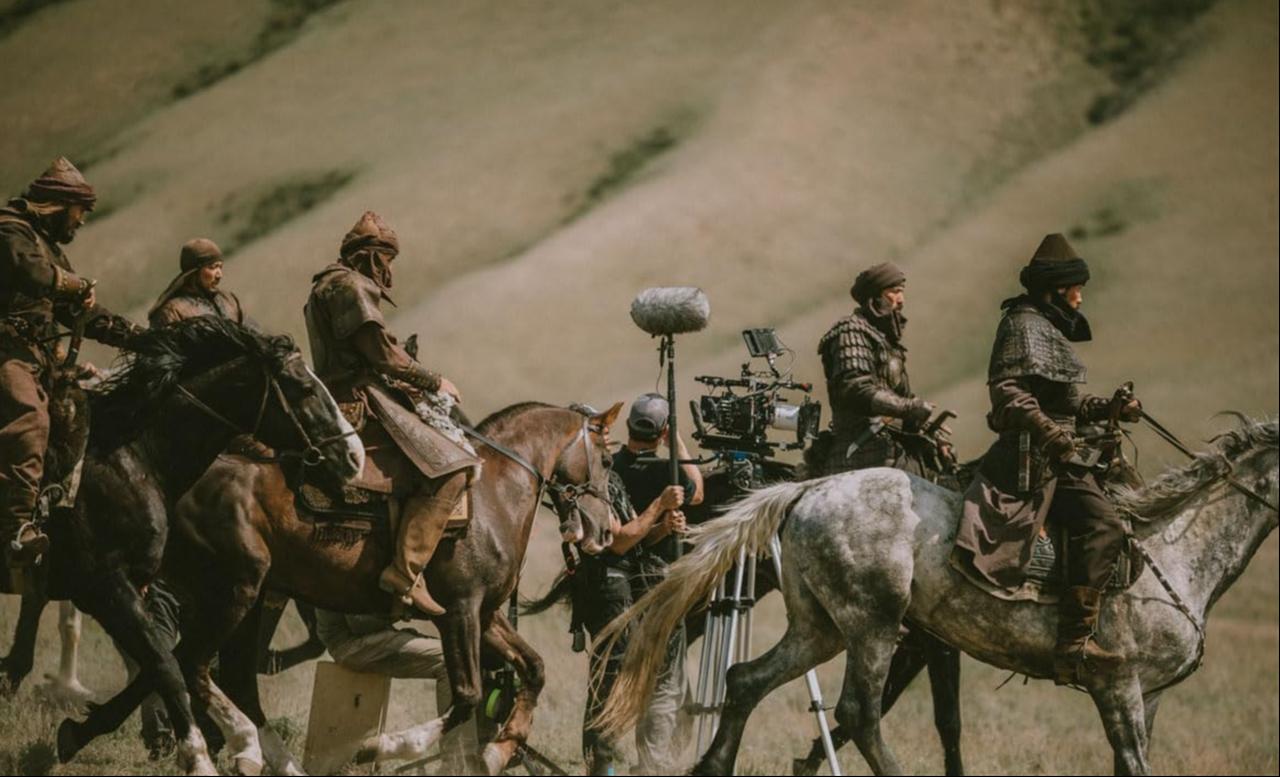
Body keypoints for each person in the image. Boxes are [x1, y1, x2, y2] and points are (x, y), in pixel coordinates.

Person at [957, 233, 1141, 684]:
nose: (1080, 296)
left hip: (1061, 451)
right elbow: (1009, 395)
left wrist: (1111, 408)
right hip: (1036, 460)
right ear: (1055, 289)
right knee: (1105, 525)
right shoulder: (1021, 325)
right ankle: (1073, 644)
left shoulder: (1045, 326)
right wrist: (1053, 435)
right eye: (1075, 287)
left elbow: (1070, 404)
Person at [304, 211, 470, 617]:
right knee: (451, 467)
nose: (389, 270)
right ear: (371, 256)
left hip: (347, 389)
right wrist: (434, 381)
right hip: (360, 397)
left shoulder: (326, 284)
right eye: (387, 260)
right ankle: (405, 571)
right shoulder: (350, 286)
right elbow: (382, 354)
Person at [0, 157, 141, 569]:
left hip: (38, 360)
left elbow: (81, 313)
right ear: (60, 206)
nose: (80, 222)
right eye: (80, 213)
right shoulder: (11, 231)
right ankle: (15, 531)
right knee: (31, 419)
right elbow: (33, 276)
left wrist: (138, 337)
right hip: (7, 356)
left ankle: (65, 523)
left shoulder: (49, 248)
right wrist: (76, 286)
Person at [609, 392, 703, 774]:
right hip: (658, 583)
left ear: (629, 426)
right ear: (662, 432)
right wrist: (677, 437)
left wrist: (664, 528)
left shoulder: (610, 466)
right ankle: (653, 766)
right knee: (663, 680)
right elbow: (698, 489)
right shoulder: (670, 475)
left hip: (614, 587)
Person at [578, 456, 686, 774]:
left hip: (627, 585)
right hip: (607, 589)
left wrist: (662, 528)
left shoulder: (610, 478)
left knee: (627, 676)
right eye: (598, 432)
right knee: (610, 677)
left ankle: (610, 761)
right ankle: (600, 765)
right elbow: (620, 542)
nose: (607, 439)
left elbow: (635, 539)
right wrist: (659, 503)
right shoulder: (588, 489)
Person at [815, 261, 942, 476]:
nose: (901, 301)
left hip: (894, 446)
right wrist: (909, 408)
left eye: (901, 292)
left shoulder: (886, 341)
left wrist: (927, 426)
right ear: (875, 296)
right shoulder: (851, 330)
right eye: (894, 292)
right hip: (862, 450)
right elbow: (855, 388)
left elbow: (901, 394)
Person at [313, 608, 477, 773]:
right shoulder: (346, 581)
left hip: (361, 638)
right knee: (454, 662)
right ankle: (457, 763)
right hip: (353, 643)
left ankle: (472, 751)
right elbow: (360, 622)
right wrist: (406, 611)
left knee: (464, 654)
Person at [148, 238, 249, 328]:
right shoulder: (172, 311)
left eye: (220, 267)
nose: (219, 275)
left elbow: (254, 336)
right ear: (194, 273)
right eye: (212, 267)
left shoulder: (230, 300)